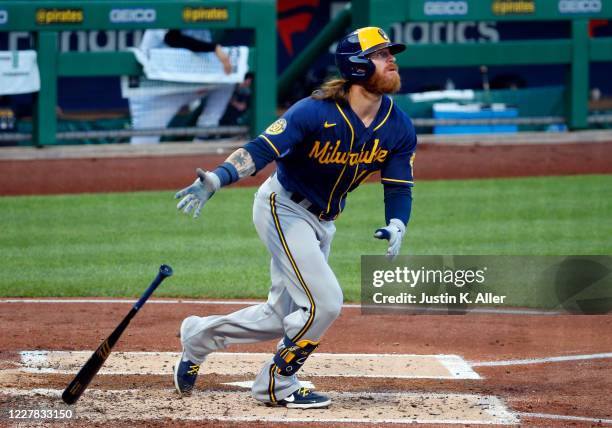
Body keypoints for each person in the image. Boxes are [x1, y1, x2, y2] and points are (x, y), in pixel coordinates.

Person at [172, 27, 417, 409]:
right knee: (326, 303)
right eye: (381, 54)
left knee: (278, 316)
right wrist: (217, 178)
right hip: (282, 207)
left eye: (390, 53)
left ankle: (197, 337)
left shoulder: (398, 126)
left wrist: (398, 222)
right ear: (356, 66)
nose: (392, 59)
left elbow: (399, 186)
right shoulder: (314, 111)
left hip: (323, 221)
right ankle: (277, 383)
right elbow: (261, 148)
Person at [129, 29, 234, 144]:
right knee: (142, 145)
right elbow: (173, 38)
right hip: (159, 91)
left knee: (229, 78)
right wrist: (214, 48)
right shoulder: (166, 13)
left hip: (189, 85)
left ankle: (206, 131)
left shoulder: (202, 17)